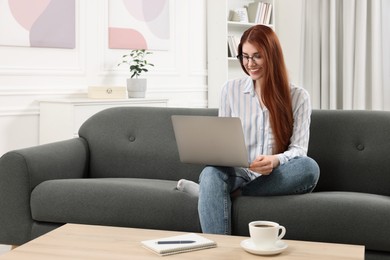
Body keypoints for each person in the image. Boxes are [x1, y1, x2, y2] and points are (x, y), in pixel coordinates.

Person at [177, 24, 320, 235]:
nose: (249, 64)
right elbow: (222, 142)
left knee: (309, 168)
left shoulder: (298, 97)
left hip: (275, 175)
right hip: (240, 172)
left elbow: (299, 149)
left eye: (257, 56)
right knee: (210, 174)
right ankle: (219, 252)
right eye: (245, 57)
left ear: (272, 56)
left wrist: (276, 160)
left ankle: (219, 194)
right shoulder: (230, 90)